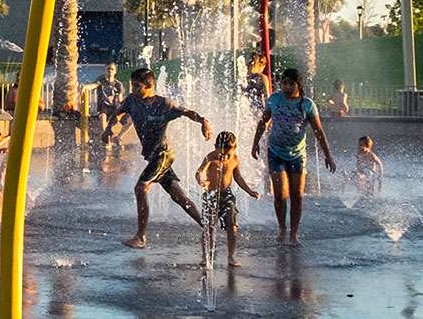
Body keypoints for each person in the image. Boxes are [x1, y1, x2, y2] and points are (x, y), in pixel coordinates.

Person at [120, 68, 213, 249]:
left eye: (137, 86)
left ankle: (140, 237)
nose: (133, 89)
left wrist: (203, 121)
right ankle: (207, 225)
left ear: (150, 85)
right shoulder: (132, 100)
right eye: (132, 85)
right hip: (154, 156)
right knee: (178, 196)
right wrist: (108, 129)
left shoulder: (164, 104)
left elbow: (187, 112)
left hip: (163, 154)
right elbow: (118, 111)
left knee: (140, 188)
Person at [249, 68, 336, 246]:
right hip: (276, 152)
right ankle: (282, 228)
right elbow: (263, 121)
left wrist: (328, 156)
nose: (287, 87)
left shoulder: (307, 104)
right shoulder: (274, 100)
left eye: (291, 83)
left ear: (299, 85)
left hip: (297, 155)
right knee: (280, 194)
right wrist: (255, 143)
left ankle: (293, 233)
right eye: (284, 83)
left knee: (297, 194)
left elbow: (318, 131)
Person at [195, 131, 260, 267]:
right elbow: (199, 171)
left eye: (227, 154)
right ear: (215, 147)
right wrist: (202, 181)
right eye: (221, 154)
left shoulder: (235, 159)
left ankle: (231, 256)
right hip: (211, 196)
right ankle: (205, 256)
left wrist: (249, 191)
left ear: (235, 148)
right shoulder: (211, 158)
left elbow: (238, 178)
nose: (224, 157)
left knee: (233, 226)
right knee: (208, 227)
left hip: (227, 196)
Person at [92, 63, 128, 145]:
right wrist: (85, 87)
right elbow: (94, 85)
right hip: (103, 107)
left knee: (131, 119)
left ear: (115, 71)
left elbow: (119, 99)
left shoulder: (118, 84)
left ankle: (118, 137)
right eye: (108, 69)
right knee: (102, 116)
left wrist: (119, 111)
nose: (110, 71)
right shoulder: (101, 80)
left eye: (112, 69)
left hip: (114, 108)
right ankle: (106, 138)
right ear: (104, 70)